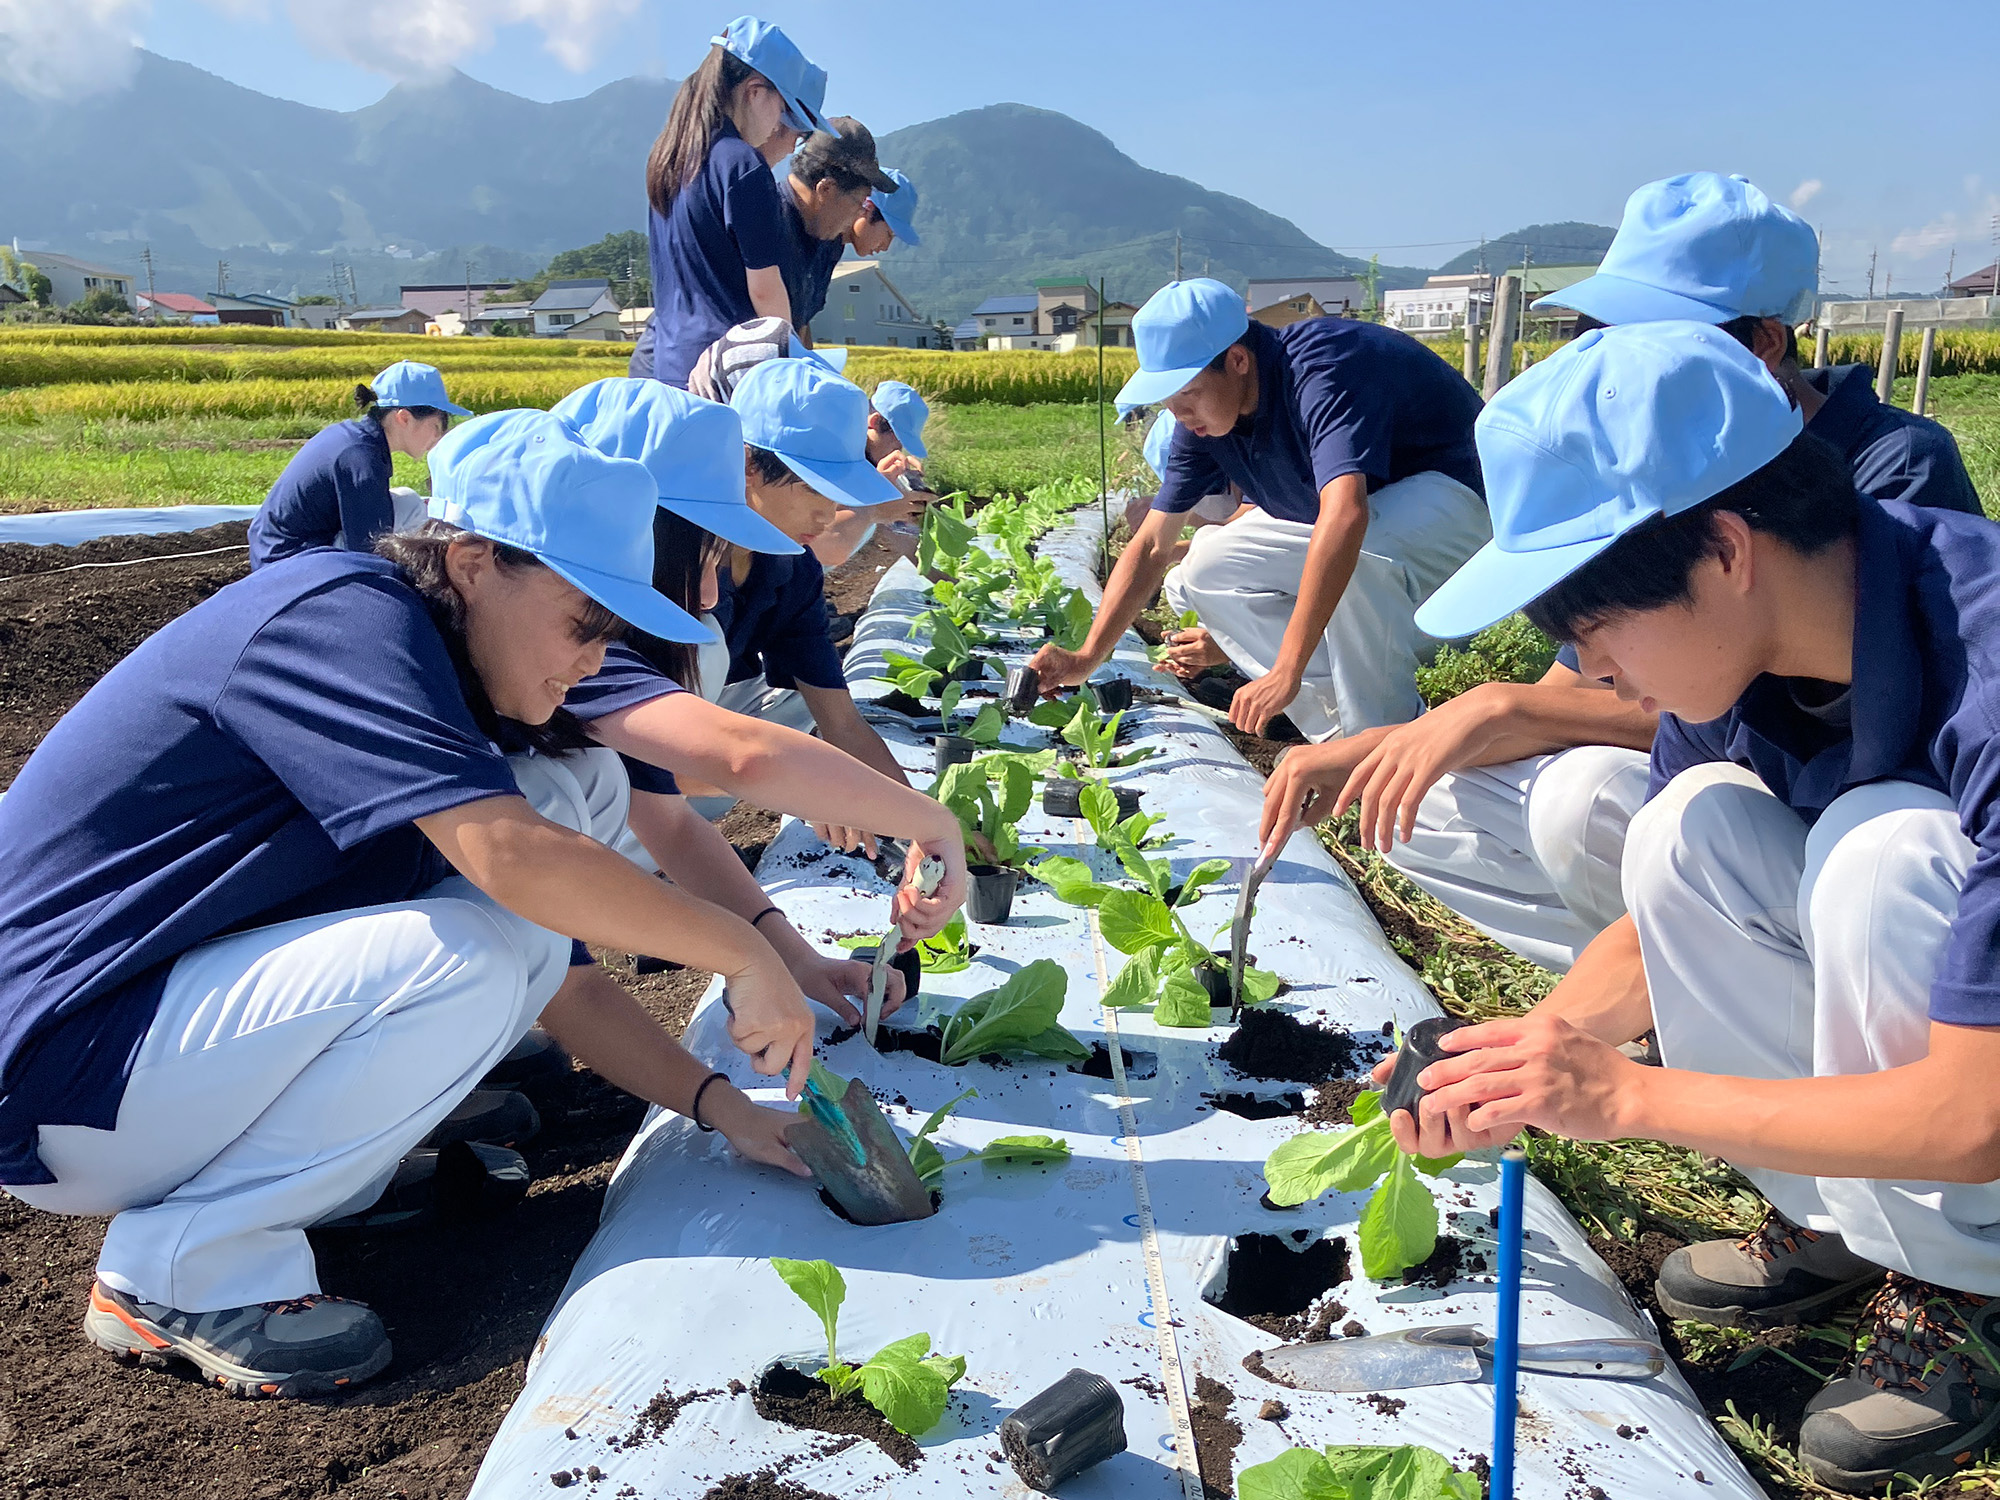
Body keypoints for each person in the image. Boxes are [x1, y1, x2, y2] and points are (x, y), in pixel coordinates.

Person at [0, 416, 869, 1398]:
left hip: (136, 1053)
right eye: (584, 622)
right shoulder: (342, 619)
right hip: (60, 1068)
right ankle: (181, 1270)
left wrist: (720, 1109)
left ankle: (316, 1183)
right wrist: (739, 954)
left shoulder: (441, 662)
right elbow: (512, 861)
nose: (595, 659)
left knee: (509, 941)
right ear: (470, 563)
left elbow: (563, 979)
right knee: (465, 954)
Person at [1385, 321, 2000, 1494]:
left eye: (1590, 626)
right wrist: (1517, 1054)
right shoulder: (1756, 653)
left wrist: (1628, 1098)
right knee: (1687, 828)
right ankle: (1836, 1225)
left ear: (1722, 549)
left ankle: (1964, 1280)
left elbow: (1975, 1113)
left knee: (1883, 854)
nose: (1589, 670)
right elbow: (1645, 936)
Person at [1263, 172, 1985, 974]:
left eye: (1656, 330)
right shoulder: (1649, 486)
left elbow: (1721, 692)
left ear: (1765, 342)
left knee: (1867, 852)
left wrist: (1499, 708)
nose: (1621, 359)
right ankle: (1685, 998)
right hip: (1759, 789)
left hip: (1855, 826)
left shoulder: (1889, 477)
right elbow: (1609, 689)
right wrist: (1413, 736)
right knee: (1444, 805)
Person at [546, 376, 970, 930]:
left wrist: (897, 815)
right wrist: (826, 795)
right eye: (815, 488)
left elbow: (835, 721)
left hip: (643, 777)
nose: (832, 511)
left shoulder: (784, 567)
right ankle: (610, 883)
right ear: (747, 465)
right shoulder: (594, 621)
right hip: (586, 806)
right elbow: (726, 759)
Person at [1027, 278, 1491, 742]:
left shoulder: (1323, 368)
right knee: (1204, 566)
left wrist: (1286, 667)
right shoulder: (1205, 421)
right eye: (1168, 398)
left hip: (1464, 512)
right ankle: (1339, 735)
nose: (1179, 412)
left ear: (1238, 360)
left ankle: (1382, 737)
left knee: (1356, 549)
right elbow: (1151, 545)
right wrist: (1085, 658)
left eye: (1186, 392)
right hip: (1384, 522)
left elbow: (1346, 516)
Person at [637, 15, 830, 389]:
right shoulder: (742, 164)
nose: (779, 126)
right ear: (755, 91)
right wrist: (793, 367)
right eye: (782, 108)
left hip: (672, 369)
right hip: (728, 378)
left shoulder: (670, 160)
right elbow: (765, 291)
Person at [246, 361, 467, 569]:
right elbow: (368, 550)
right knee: (395, 552)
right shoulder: (361, 460)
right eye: (436, 426)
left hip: (272, 548)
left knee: (409, 501)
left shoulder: (355, 439)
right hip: (289, 562)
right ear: (404, 418)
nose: (439, 438)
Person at [775, 117, 895, 342]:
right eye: (859, 202)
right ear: (826, 189)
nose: (858, 214)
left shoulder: (818, 233)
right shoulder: (765, 224)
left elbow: (800, 324)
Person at [809, 377, 935, 566]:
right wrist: (876, 505)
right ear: (874, 422)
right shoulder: (830, 459)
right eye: (897, 441)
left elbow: (899, 536)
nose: (897, 452)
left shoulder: (868, 461)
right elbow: (825, 543)